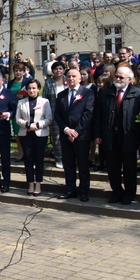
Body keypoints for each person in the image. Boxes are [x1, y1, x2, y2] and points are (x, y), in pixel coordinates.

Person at [94, 66, 140, 205]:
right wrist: (97, 133)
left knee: (129, 168)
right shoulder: (106, 93)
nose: (118, 79)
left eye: (121, 77)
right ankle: (116, 192)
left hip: (129, 136)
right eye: (117, 76)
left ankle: (129, 194)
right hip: (110, 135)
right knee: (113, 167)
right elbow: (98, 115)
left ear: (129, 79)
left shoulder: (137, 94)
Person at [54, 68, 95, 202]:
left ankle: (84, 191)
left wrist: (76, 131)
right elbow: (58, 115)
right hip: (66, 135)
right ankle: (70, 190)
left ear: (80, 78)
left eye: (74, 76)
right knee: (68, 164)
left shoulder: (88, 93)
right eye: (69, 76)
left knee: (83, 165)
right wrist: (66, 130)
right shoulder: (61, 95)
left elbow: (88, 114)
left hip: (81, 136)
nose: (71, 78)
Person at [15, 80, 52, 196]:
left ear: (38, 88)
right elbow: (17, 118)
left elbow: (49, 118)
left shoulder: (45, 102)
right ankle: (30, 183)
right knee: (28, 159)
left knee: (39, 160)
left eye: (34, 88)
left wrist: (37, 125)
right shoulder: (21, 102)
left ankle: (38, 184)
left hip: (40, 133)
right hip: (25, 133)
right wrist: (27, 125)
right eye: (29, 88)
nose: (31, 90)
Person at [42, 61, 67, 169]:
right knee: (56, 137)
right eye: (56, 69)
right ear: (52, 71)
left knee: (67, 136)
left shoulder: (68, 80)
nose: (58, 71)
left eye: (60, 68)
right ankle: (59, 158)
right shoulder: (49, 83)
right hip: (54, 113)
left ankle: (69, 158)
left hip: (67, 113)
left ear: (64, 70)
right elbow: (45, 99)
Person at [7, 63, 33, 161]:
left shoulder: (28, 82)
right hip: (14, 110)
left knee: (27, 131)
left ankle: (29, 153)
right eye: (16, 70)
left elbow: (33, 93)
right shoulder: (10, 83)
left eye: (20, 70)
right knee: (18, 133)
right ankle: (21, 153)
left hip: (26, 109)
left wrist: (24, 96)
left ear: (24, 71)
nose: (18, 72)